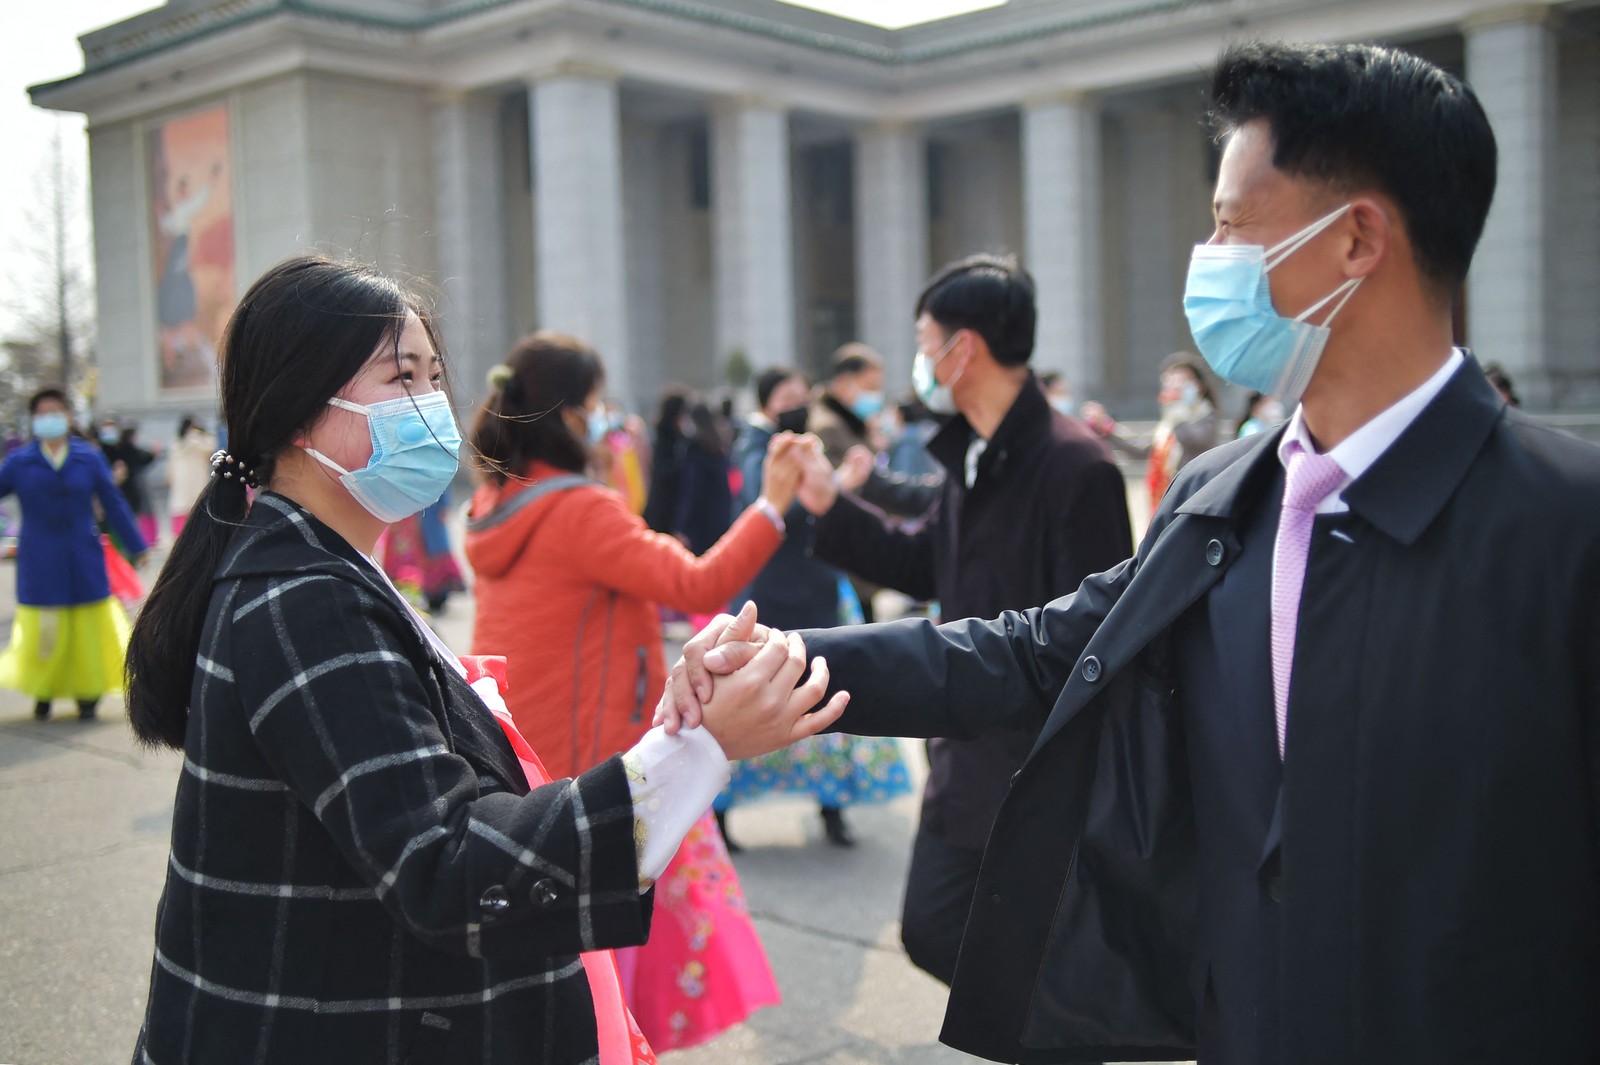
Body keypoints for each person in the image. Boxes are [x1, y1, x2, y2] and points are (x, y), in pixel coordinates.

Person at [663, 40, 1600, 1065]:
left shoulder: (1561, 533)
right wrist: (783, 659)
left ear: (1356, 238)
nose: (1211, 258)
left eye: (1233, 225)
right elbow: (1032, 649)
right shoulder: (1224, 497)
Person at [123, 256, 844, 1065]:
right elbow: (446, 864)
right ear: (297, 411)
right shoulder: (305, 597)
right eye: (401, 378)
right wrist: (698, 745)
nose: (432, 405)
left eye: (435, 376)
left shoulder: (331, 566)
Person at [786, 253, 1134, 987]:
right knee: (938, 928)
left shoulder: (1077, 467)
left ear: (962, 347)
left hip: (1034, 771)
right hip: (964, 756)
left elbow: (1097, 648)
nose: (920, 359)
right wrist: (830, 506)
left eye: (925, 339)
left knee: (1029, 951)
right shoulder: (973, 453)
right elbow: (923, 565)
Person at [463, 331, 802, 1051]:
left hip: (528, 745)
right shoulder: (580, 510)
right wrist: (772, 504)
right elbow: (698, 582)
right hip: (601, 752)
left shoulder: (498, 500)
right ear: (572, 415)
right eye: (595, 405)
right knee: (617, 945)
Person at [717, 367, 913, 850]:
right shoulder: (755, 446)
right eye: (788, 396)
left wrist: (844, 487)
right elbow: (764, 509)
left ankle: (832, 808)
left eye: (803, 394)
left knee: (827, 700)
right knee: (754, 703)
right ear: (767, 402)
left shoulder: (802, 443)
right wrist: (834, 487)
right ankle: (721, 816)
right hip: (772, 598)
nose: (799, 403)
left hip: (817, 591)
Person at [0, 388, 147, 722]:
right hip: (40, 555)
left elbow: (113, 502)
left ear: (68, 416)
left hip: (83, 553)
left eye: (56, 410)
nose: (50, 417)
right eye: (42, 412)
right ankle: (44, 689)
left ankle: (88, 691)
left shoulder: (88, 457)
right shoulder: (20, 462)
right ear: (34, 419)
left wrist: (136, 545)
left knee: (88, 625)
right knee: (45, 628)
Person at [1082, 352, 1222, 510]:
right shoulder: (1169, 423)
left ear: (1199, 386)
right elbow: (1143, 450)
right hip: (1166, 499)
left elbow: (1194, 442)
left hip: (1192, 498)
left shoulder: (1205, 415)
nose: (1176, 387)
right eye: (1171, 381)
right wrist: (1108, 427)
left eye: (1183, 381)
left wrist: (1176, 413)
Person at [99, 418, 160, 551]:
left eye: (112, 426)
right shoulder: (98, 452)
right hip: (106, 501)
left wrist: (153, 454)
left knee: (128, 525)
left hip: (129, 495)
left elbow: (142, 458)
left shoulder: (127, 448)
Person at [165, 414, 217, 538]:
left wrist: (196, 437)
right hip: (181, 478)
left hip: (198, 476)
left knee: (198, 503)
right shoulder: (178, 442)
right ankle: (179, 535)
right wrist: (169, 476)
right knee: (180, 505)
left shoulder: (203, 439)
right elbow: (172, 460)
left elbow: (209, 450)